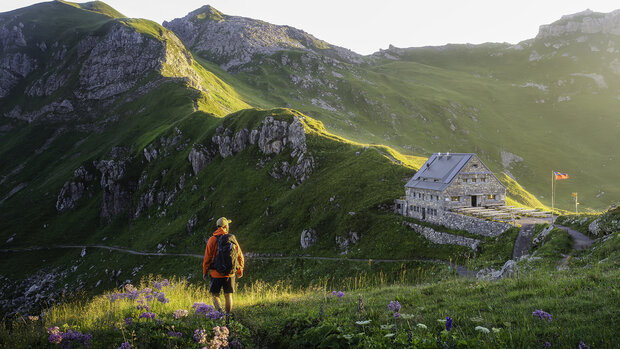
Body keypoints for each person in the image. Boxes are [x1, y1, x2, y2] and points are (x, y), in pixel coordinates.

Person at [203, 217, 244, 314]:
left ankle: (220, 314)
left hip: (216, 273)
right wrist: (240, 270)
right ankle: (228, 317)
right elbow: (239, 255)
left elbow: (207, 258)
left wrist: (205, 272)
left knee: (215, 295)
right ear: (226, 226)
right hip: (230, 273)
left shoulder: (212, 239)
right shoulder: (232, 238)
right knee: (228, 295)